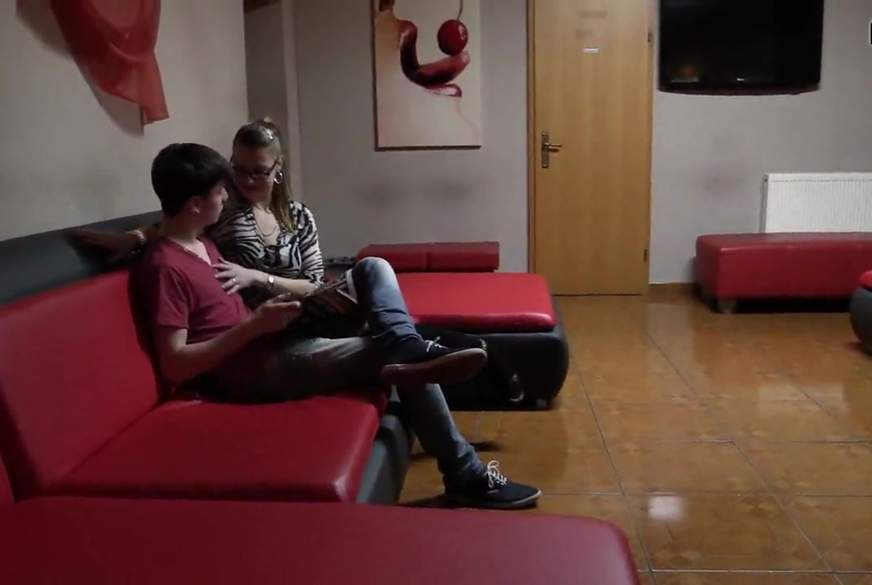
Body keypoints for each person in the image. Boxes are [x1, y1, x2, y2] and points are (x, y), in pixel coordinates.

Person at [136, 141, 541, 510]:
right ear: (195, 204)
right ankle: (465, 473)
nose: (228, 195)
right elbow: (175, 365)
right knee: (397, 356)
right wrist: (255, 326)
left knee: (373, 272)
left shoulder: (202, 243)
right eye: (219, 191)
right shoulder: (166, 267)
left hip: (273, 340)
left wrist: (268, 313)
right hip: (256, 373)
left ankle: (411, 348)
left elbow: (159, 234)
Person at [78, 118, 525, 403]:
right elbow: (172, 223)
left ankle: (471, 361)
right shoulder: (215, 219)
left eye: (258, 171)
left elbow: (311, 280)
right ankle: (488, 369)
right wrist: (132, 237)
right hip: (272, 337)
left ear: (278, 170)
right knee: (397, 347)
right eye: (236, 171)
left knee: (377, 278)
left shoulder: (288, 217)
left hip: (297, 312)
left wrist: (261, 279)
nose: (241, 183)